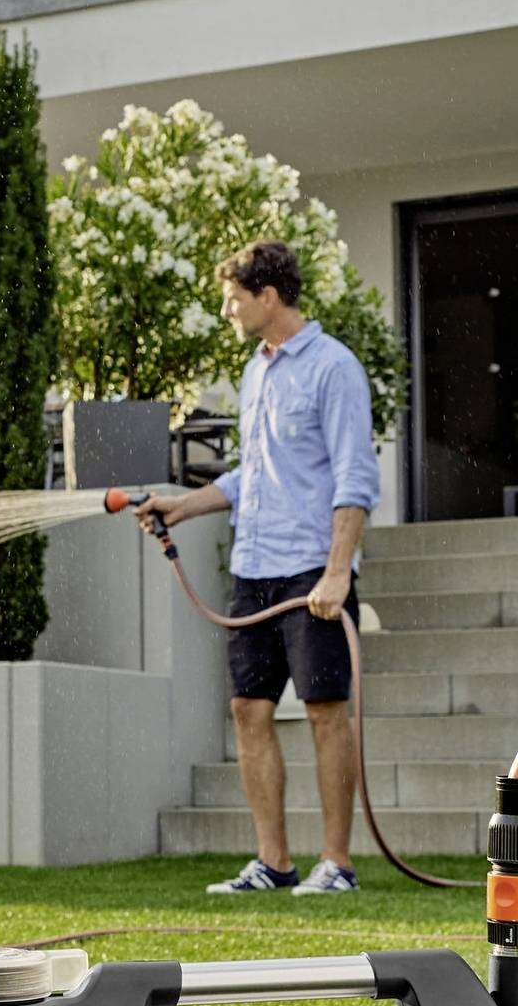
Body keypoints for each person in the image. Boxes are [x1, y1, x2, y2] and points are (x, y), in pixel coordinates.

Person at [128, 237, 379, 896]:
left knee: (325, 709)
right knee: (248, 708)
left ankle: (337, 864)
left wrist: (337, 571)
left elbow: (355, 476)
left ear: (268, 296)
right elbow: (255, 472)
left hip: (311, 569)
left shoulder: (333, 367)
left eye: (234, 298)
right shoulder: (257, 372)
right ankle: (273, 863)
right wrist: (186, 505)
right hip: (255, 566)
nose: (226, 309)